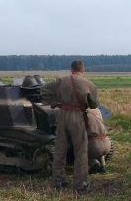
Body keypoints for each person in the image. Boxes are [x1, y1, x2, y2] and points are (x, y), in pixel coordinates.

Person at [41, 60, 98, 191]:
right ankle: (80, 184)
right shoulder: (89, 84)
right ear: (83, 70)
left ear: (71, 69)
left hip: (62, 115)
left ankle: (59, 181)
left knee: (60, 149)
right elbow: (94, 105)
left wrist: (54, 103)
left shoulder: (61, 81)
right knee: (80, 151)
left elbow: (44, 90)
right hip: (78, 117)